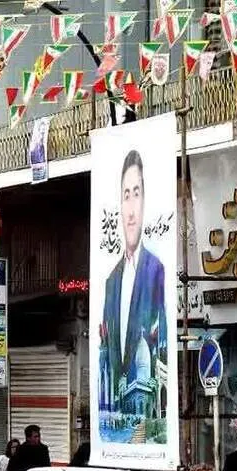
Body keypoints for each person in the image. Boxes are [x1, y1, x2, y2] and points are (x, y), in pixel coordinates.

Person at [99, 150, 168, 419]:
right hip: (121, 400)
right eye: (126, 195)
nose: (130, 210)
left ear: (144, 201)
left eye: (136, 194)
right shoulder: (111, 282)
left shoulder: (156, 270)